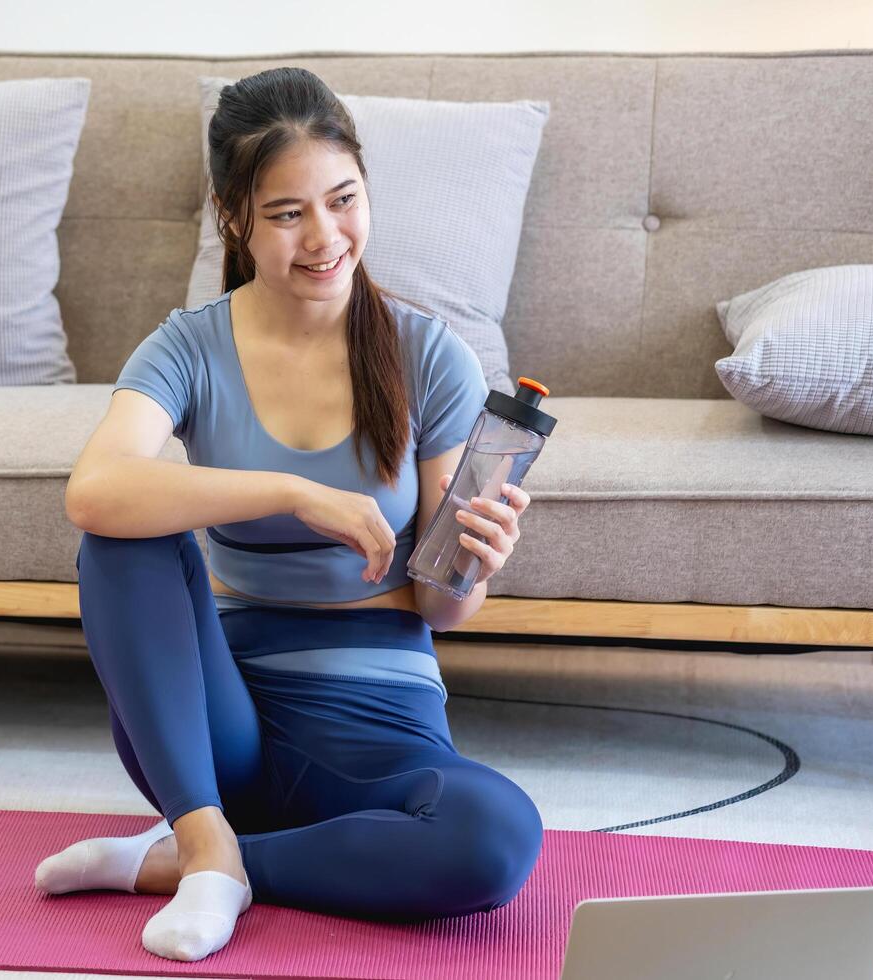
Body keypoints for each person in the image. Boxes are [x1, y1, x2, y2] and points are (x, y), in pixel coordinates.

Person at [35, 66, 543, 963]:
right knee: (119, 538)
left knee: (495, 838)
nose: (324, 237)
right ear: (234, 216)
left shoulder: (431, 357)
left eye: (343, 200)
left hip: (378, 734)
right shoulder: (188, 346)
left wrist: (478, 568)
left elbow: (442, 609)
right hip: (214, 726)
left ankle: (199, 865)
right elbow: (94, 488)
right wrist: (292, 492)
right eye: (286, 214)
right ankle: (203, 834)